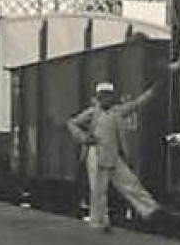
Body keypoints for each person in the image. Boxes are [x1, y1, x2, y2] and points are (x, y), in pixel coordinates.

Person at [67, 80, 161, 233]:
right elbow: (72, 123)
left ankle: (151, 210)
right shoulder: (92, 113)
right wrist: (83, 138)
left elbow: (137, 104)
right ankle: (100, 222)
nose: (106, 99)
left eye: (108, 96)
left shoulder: (117, 111)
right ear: (98, 97)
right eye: (103, 96)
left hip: (113, 154)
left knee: (130, 182)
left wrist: (151, 92)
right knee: (98, 190)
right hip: (96, 154)